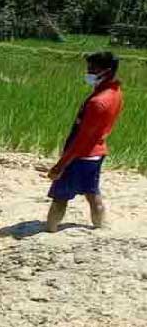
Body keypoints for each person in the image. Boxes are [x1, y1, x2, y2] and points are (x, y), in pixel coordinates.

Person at [46, 52, 123, 233]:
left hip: (81, 156)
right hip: (97, 153)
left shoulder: (98, 102)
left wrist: (60, 165)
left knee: (60, 198)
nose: (88, 72)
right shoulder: (115, 93)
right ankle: (100, 227)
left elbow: (81, 139)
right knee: (92, 193)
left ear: (106, 71)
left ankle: (49, 229)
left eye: (92, 69)